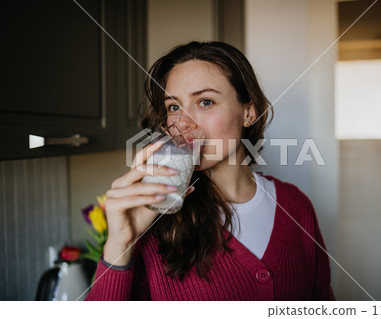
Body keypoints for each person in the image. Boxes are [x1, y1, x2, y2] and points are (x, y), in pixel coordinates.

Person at [85, 41, 334, 301]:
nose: (183, 124)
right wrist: (120, 244)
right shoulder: (154, 218)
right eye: (173, 107)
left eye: (205, 102)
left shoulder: (296, 206)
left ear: (248, 113)